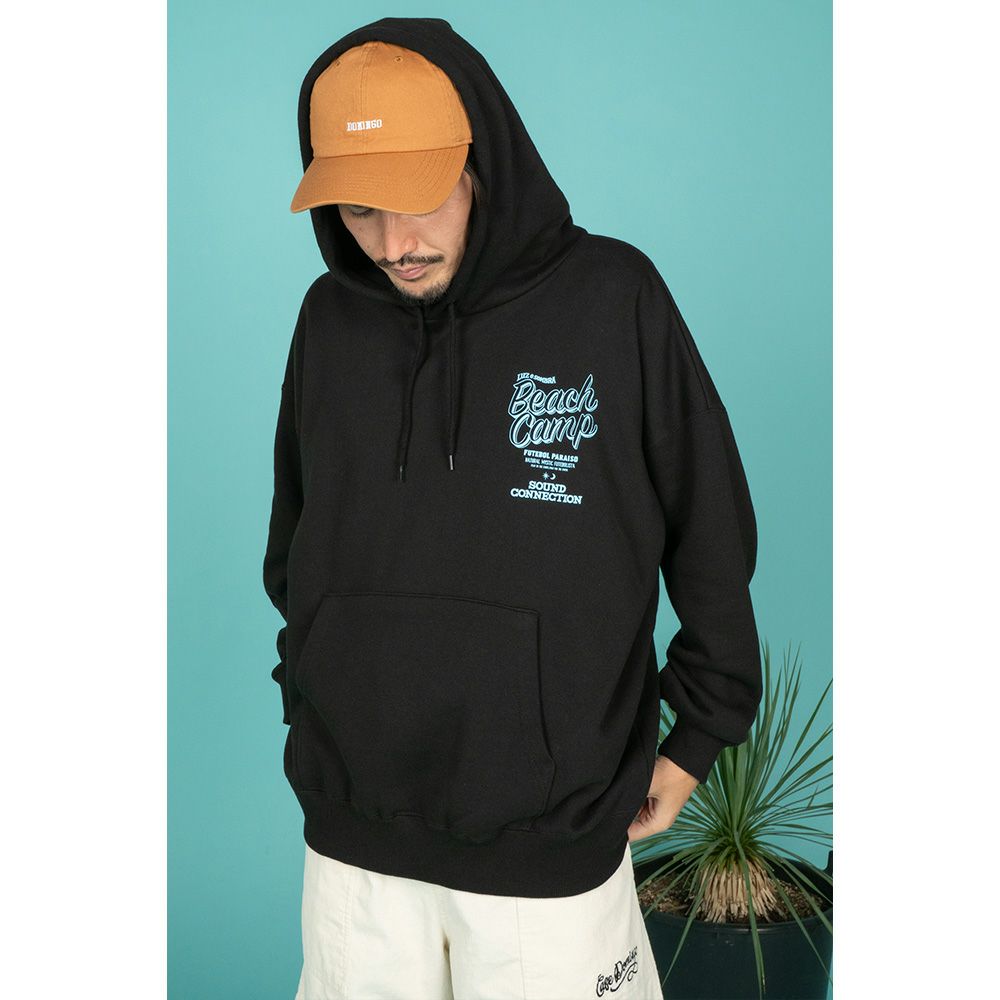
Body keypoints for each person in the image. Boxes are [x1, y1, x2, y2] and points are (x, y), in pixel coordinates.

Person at [262, 16, 762, 1000]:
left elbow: (709, 523)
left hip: (551, 838)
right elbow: (296, 540)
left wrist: (700, 729)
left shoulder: (612, 297)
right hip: (355, 840)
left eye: (419, 199)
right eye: (358, 209)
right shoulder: (329, 320)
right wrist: (314, 690)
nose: (394, 245)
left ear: (482, 161)